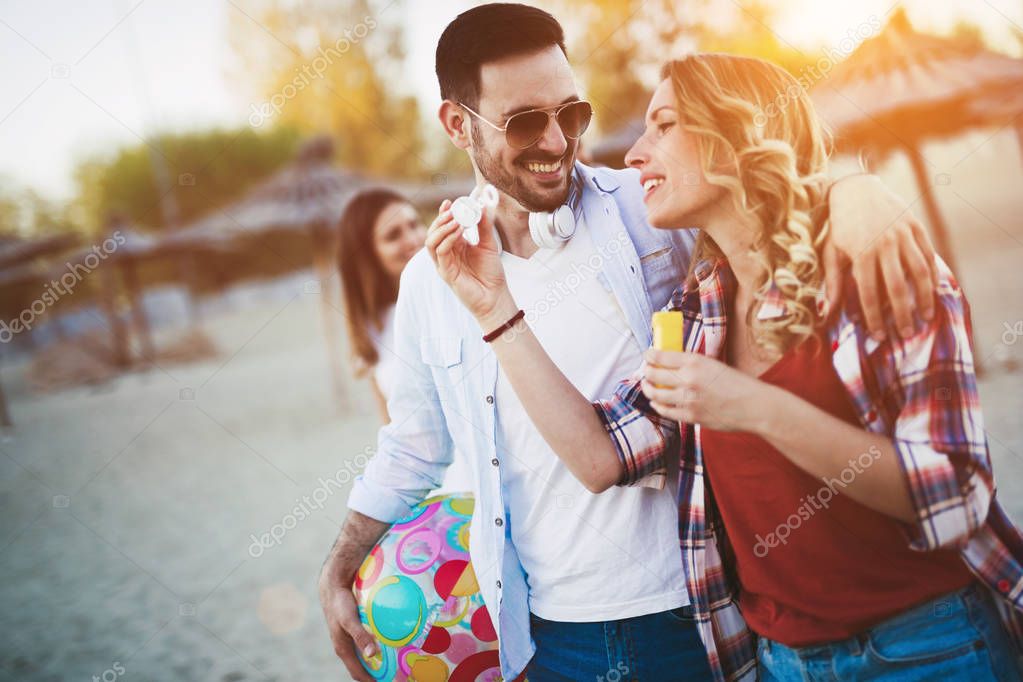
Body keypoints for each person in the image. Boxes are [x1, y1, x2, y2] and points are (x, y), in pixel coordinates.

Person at [319, 5, 942, 681]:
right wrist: (339, 560)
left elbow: (760, 200)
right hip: (551, 634)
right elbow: (415, 443)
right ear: (456, 124)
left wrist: (853, 191)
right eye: (525, 121)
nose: (557, 142)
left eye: (572, 114)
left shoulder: (650, 207)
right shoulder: (429, 283)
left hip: (702, 607)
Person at [426, 51, 1023, 681]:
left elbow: (956, 495)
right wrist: (494, 307)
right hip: (781, 664)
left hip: (932, 648)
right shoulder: (700, 312)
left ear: (736, 136)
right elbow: (600, 457)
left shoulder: (872, 267)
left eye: (663, 125)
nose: (633, 154)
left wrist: (752, 405)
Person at [336, 188, 471, 494]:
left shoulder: (458, 295)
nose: (412, 239)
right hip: (441, 492)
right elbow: (393, 429)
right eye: (393, 235)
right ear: (367, 254)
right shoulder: (370, 332)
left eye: (413, 224)